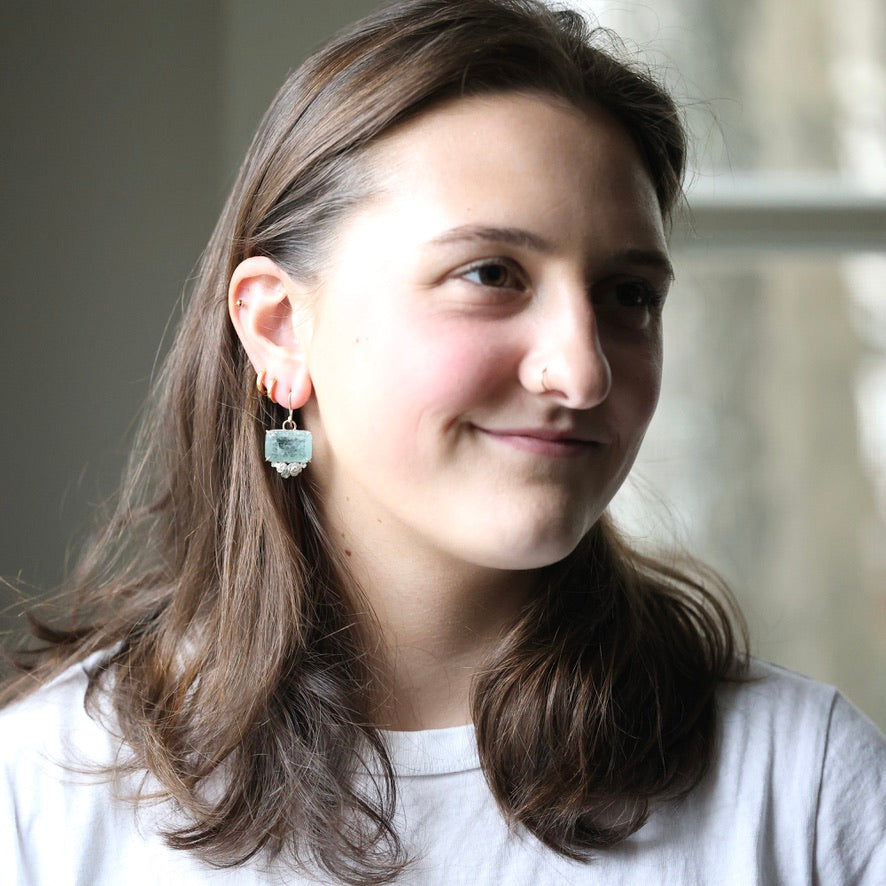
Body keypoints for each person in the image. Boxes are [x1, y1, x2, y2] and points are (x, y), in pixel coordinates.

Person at [1, 1, 884, 883]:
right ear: (278, 329)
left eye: (628, 296)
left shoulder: (800, 786)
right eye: (491, 275)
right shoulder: (42, 794)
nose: (582, 376)